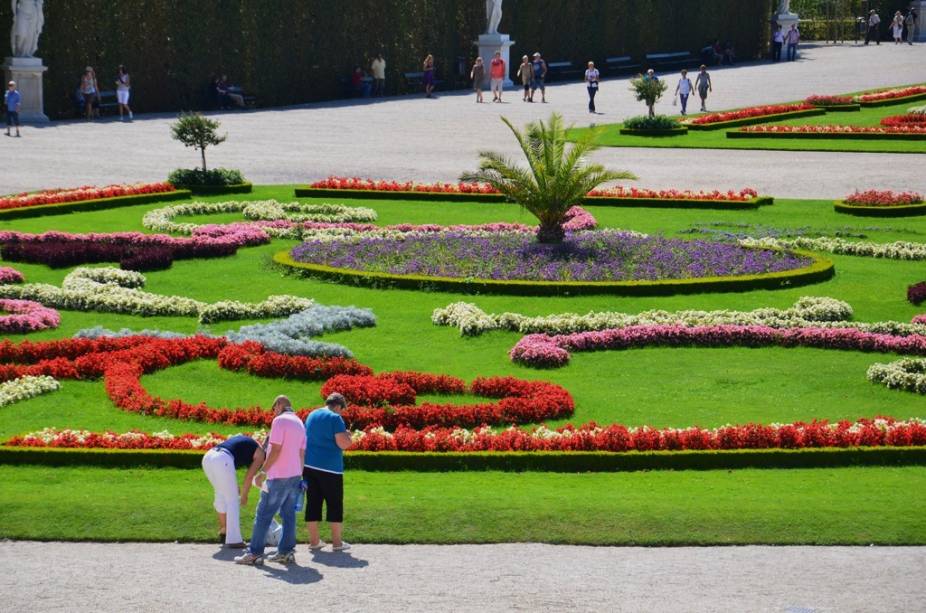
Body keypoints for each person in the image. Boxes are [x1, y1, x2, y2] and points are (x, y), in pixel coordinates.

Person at [235, 395, 306, 566]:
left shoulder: (279, 421)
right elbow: (302, 454)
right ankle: (286, 553)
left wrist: (262, 472)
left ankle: (255, 554)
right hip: (294, 475)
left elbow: (275, 450)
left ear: (280, 404)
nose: (273, 412)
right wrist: (299, 475)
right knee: (289, 516)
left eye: (274, 407)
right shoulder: (300, 423)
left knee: (263, 515)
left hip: (278, 476)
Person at [303, 392, 354, 552]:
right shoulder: (335, 418)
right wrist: (349, 438)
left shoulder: (312, 414)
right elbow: (343, 444)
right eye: (342, 409)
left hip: (309, 465)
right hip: (330, 468)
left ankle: (314, 541)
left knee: (313, 503)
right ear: (338, 406)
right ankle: (337, 543)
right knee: (334, 504)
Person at [202, 435, 265, 548]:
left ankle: (224, 531)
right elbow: (249, 477)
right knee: (233, 500)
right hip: (223, 459)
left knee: (220, 493)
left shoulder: (250, 442)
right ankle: (234, 539)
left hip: (208, 457)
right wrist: (244, 495)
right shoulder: (261, 454)